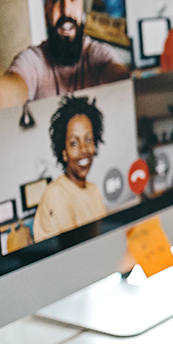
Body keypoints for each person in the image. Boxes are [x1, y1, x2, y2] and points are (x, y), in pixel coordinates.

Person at [0, 0, 130, 110]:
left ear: (82, 7)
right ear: (45, 12)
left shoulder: (98, 54)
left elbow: (119, 78)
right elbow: (6, 91)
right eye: (56, 0)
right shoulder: (33, 62)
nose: (66, 10)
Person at [32, 95, 108, 242]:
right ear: (64, 153)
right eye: (74, 143)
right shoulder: (56, 194)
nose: (83, 149)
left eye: (88, 140)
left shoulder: (93, 190)